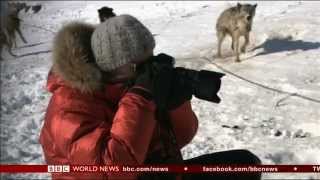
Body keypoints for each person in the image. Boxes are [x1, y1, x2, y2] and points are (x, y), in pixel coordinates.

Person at [40, 14, 261, 180]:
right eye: (140, 65)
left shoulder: (127, 86)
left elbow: (182, 137)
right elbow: (113, 169)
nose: (149, 71)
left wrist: (175, 103)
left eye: (151, 60)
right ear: (112, 67)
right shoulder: (69, 106)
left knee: (246, 165)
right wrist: (139, 98)